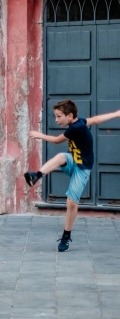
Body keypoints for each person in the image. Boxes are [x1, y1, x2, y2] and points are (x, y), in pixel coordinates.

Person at [25, 99, 120, 252]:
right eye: (55, 116)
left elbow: (56, 140)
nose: (56, 120)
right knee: (62, 156)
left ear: (69, 116)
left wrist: (39, 135)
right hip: (72, 161)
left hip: (82, 169)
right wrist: (116, 114)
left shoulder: (76, 128)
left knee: (71, 202)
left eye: (58, 116)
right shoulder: (79, 122)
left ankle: (66, 236)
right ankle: (36, 175)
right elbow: (96, 119)